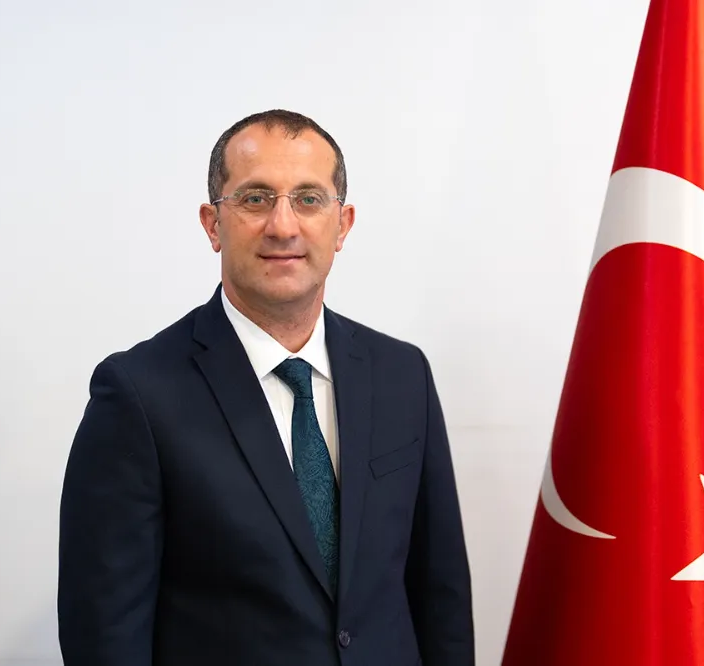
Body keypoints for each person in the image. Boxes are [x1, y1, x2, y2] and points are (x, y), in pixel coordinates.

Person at [57, 109, 474, 665]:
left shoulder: (403, 375)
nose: (283, 226)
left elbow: (440, 596)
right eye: (255, 199)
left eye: (309, 199)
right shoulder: (137, 396)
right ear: (212, 224)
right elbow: (105, 638)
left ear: (342, 224)